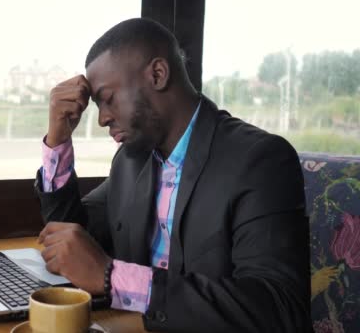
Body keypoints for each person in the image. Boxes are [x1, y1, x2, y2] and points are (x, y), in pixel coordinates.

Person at [33, 18, 311, 332]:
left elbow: (280, 309)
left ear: (158, 74)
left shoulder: (260, 161)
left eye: (107, 99)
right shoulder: (131, 161)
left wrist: (114, 278)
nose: (102, 118)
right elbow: (72, 236)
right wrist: (58, 140)